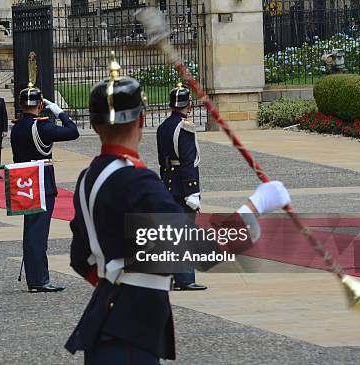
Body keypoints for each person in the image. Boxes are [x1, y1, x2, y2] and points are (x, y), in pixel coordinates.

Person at [65, 55, 291, 364]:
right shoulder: (139, 181)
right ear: (142, 120)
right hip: (132, 328)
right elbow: (203, 252)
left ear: (93, 125)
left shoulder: (88, 178)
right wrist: (256, 204)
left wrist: (117, 280)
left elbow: (81, 258)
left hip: (105, 320)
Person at [10, 85, 79, 292]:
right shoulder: (42, 127)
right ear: (40, 105)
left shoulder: (18, 128)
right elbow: (73, 132)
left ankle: (36, 278)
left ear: (22, 106)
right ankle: (39, 280)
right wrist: (60, 112)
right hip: (41, 183)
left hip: (24, 182)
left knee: (31, 231)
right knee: (38, 235)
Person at [156, 83, 207, 291]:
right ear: (190, 105)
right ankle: (185, 278)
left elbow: (162, 160)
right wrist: (192, 191)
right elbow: (187, 161)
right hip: (182, 185)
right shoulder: (185, 127)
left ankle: (172, 276)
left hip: (168, 181)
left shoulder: (163, 126)